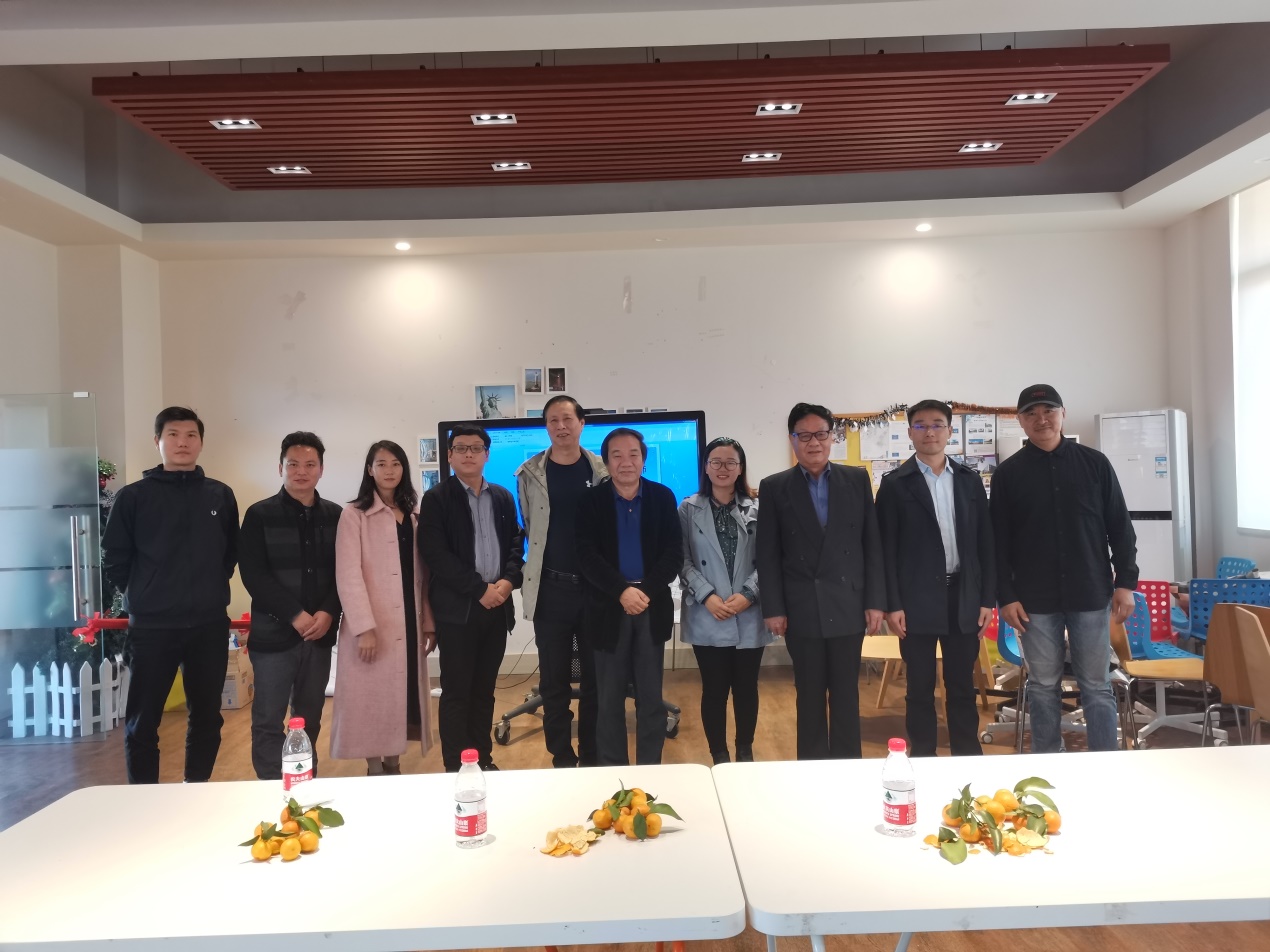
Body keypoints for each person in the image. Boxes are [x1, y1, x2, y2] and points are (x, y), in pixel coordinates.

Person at [991, 384, 1138, 753]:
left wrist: (1126, 583)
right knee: (1043, 686)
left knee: (1097, 685)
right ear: (1020, 421)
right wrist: (1005, 596)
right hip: (1034, 600)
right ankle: (1047, 762)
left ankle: (1104, 762)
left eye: (1049, 411)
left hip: (1090, 593)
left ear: (1063, 414)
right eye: (1031, 414)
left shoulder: (1095, 464)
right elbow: (998, 543)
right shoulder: (1008, 474)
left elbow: (1120, 528)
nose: (1041, 419)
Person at [102, 407, 239, 784]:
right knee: (142, 720)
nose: (182, 442)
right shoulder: (133, 497)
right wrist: (144, 593)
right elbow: (115, 557)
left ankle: (195, 789)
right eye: (173, 435)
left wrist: (210, 587)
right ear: (158, 441)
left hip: (209, 625)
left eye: (191, 435)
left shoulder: (220, 495)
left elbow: (230, 553)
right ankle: (145, 797)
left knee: (207, 717)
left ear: (201, 442)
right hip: (152, 628)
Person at [756, 402, 885, 760]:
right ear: (792, 440)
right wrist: (773, 608)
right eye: (804, 435)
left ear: (832, 437)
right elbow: (767, 554)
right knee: (809, 694)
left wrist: (875, 601)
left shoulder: (856, 480)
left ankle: (848, 765)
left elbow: (871, 545)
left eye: (821, 434)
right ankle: (811, 768)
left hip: (848, 603)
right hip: (801, 608)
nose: (814, 442)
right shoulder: (775, 487)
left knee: (846, 694)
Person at [875, 401, 995, 757]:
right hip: (915, 600)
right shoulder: (895, 485)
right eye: (921, 425)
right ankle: (923, 757)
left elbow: (985, 543)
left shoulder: (969, 480)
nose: (930, 432)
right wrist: (892, 604)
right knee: (919, 688)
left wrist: (986, 598)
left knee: (961, 686)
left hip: (963, 597)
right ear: (910, 432)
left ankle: (967, 757)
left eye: (937, 425)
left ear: (950, 431)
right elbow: (885, 551)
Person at [238, 431, 343, 780]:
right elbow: (254, 574)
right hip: (273, 637)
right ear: (280, 467)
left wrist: (329, 611)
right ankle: (272, 787)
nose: (301, 471)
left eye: (310, 464)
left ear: (321, 469)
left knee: (309, 718)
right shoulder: (259, 514)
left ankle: (304, 783)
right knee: (268, 719)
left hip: (319, 636)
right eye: (293, 464)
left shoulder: (336, 516)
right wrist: (294, 615)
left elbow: (344, 572)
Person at [419, 425, 525, 772]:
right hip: (459, 612)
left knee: (484, 690)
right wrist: (479, 590)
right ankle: (456, 767)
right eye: (461, 448)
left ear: (486, 455)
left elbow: (515, 544)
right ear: (450, 455)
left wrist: (507, 582)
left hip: (497, 607)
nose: (469, 454)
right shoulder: (437, 499)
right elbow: (436, 554)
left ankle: (482, 760)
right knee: (456, 692)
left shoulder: (502, 497)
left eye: (476, 448)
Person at [576, 428, 682, 766]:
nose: (626, 462)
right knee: (609, 701)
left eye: (633, 454)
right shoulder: (590, 502)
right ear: (606, 462)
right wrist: (622, 591)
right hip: (607, 608)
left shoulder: (662, 497)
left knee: (651, 699)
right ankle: (613, 774)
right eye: (617, 455)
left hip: (651, 606)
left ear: (643, 459)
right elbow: (586, 556)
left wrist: (643, 592)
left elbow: (673, 554)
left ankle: (650, 772)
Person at [330, 440, 436, 775]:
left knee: (401, 695)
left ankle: (394, 763)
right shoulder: (354, 514)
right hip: (373, 624)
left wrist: (428, 621)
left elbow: (424, 575)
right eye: (381, 464)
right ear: (369, 470)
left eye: (396, 464)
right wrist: (364, 628)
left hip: (408, 620)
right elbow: (348, 575)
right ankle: (374, 768)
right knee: (370, 698)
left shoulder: (414, 514)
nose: (389, 471)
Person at [515, 395, 608, 768]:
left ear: (582, 423)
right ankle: (562, 757)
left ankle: (592, 754)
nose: (561, 426)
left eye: (568, 419)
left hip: (596, 590)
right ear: (546, 426)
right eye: (553, 420)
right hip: (551, 590)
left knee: (595, 681)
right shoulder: (530, 474)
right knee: (553, 682)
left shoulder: (602, 470)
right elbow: (529, 527)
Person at [678, 437, 771, 765]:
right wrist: (707, 596)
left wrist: (749, 594)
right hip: (708, 612)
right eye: (715, 461)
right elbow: (682, 559)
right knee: (714, 689)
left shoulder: (758, 507)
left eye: (731, 462)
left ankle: (745, 751)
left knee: (746, 687)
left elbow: (770, 557)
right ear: (705, 467)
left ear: (740, 468)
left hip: (749, 610)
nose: (723, 468)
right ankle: (718, 755)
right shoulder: (688, 509)